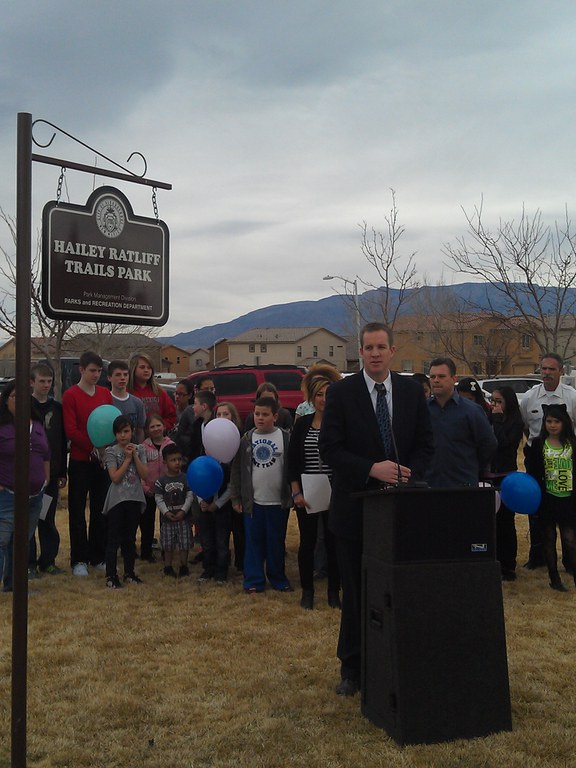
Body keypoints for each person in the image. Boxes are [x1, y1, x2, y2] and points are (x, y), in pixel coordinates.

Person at [319, 322, 434, 697]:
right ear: (361, 351)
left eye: (381, 347)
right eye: (368, 347)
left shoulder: (411, 392)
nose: (375, 353)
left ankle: (399, 660)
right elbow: (330, 450)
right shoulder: (341, 393)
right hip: (355, 511)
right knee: (356, 591)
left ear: (392, 350)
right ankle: (352, 667)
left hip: (400, 509)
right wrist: (371, 468)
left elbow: (425, 444)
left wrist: (406, 473)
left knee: (400, 589)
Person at [287, 369, 341, 610]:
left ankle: (333, 593)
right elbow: (292, 462)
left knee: (333, 544)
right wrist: (296, 492)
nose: (323, 398)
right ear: (312, 397)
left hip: (335, 492)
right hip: (307, 492)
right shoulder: (302, 425)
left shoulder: (340, 424)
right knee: (307, 543)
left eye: (328, 393)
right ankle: (307, 591)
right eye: (319, 394)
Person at [230, 396, 293, 593]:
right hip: (254, 503)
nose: (260, 418)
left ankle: (277, 578)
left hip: (277, 502)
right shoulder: (247, 439)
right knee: (253, 542)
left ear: (275, 416)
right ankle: (254, 580)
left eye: (265, 414)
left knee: (275, 542)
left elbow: (292, 469)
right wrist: (236, 497)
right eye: (257, 414)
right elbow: (237, 470)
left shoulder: (285, 438)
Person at [520, 353, 576, 570]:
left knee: (567, 507)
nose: (547, 373)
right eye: (543, 369)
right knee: (537, 506)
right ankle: (538, 555)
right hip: (538, 458)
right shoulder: (530, 397)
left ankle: (570, 560)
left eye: (552, 369)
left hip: (566, 458)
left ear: (561, 371)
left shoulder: (571, 397)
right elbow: (527, 427)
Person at [62, 351, 113, 576]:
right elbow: (71, 429)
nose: (96, 375)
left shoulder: (104, 393)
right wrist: (92, 446)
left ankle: (97, 556)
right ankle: (79, 559)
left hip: (101, 460)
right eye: (92, 370)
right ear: (81, 370)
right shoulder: (71, 395)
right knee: (77, 509)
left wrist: (105, 448)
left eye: (99, 371)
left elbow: (110, 422)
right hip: (81, 460)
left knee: (100, 509)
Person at [0, 380, 51, 592]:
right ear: (5, 401)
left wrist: (45, 479)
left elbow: (46, 454)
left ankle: (15, 585)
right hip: (8, 495)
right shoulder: (2, 427)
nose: (21, 401)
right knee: (2, 541)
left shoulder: (37, 426)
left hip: (35, 496)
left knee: (22, 542)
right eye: (15, 396)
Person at [524, 403, 576, 592]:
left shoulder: (572, 443)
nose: (552, 425)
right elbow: (532, 470)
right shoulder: (539, 444)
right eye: (549, 421)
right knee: (548, 538)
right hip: (547, 499)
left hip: (568, 499)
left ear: (564, 423)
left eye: (556, 421)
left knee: (570, 539)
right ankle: (554, 578)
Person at [426, 358, 497, 488]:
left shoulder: (472, 411)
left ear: (454, 379)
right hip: (429, 485)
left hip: (463, 484)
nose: (436, 380)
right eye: (432, 376)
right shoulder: (422, 411)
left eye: (441, 376)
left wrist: (470, 466)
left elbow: (488, 445)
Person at [29, 363, 68, 576]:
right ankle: (28, 564)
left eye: (49, 381)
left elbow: (62, 441)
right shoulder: (24, 405)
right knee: (28, 522)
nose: (46, 385)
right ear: (31, 382)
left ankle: (48, 560)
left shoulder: (57, 408)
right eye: (41, 381)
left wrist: (62, 472)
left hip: (50, 475)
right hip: (28, 475)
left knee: (46, 518)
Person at [102, 416, 148, 589]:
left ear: (132, 432)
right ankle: (111, 575)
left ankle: (129, 572)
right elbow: (114, 477)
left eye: (126, 431)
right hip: (117, 500)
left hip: (134, 498)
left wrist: (134, 455)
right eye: (120, 432)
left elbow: (144, 474)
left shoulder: (140, 449)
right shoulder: (111, 451)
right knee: (114, 538)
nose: (123, 435)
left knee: (130, 538)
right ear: (115, 434)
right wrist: (127, 459)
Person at [489, 386, 525, 581]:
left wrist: (497, 420)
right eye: (493, 401)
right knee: (490, 521)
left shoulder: (515, 422)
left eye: (499, 401)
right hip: (489, 474)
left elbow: (503, 444)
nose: (495, 405)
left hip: (506, 475)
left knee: (506, 521)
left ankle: (508, 565)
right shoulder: (488, 417)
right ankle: (492, 560)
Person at [155, 443, 194, 578]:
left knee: (184, 543)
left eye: (179, 459)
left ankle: (184, 565)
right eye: (173, 460)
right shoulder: (161, 481)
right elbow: (158, 498)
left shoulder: (186, 478)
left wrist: (183, 510)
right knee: (168, 544)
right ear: (165, 462)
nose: (177, 463)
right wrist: (165, 512)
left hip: (183, 518)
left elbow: (190, 495)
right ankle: (168, 566)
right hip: (167, 519)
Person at [216, 401, 245, 573]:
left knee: (240, 530)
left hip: (236, 489)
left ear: (233, 417)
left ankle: (241, 562)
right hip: (219, 491)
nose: (221, 418)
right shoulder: (211, 436)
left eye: (225, 414)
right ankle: (222, 563)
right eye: (218, 414)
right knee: (222, 530)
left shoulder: (240, 438)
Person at [141, 414, 174, 562]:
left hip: (166, 491)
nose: (156, 429)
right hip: (149, 490)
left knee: (166, 522)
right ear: (147, 430)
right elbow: (139, 469)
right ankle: (146, 551)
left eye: (158, 425)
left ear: (164, 427)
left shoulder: (171, 445)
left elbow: (176, 467)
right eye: (152, 426)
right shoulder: (142, 447)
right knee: (146, 522)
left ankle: (166, 551)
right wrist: (145, 487)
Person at [128, 353, 177, 432]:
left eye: (149, 368)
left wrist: (158, 428)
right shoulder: (127, 392)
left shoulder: (159, 392)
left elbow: (172, 416)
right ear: (133, 369)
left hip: (157, 438)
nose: (146, 370)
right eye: (142, 367)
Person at [108, 359, 146, 443]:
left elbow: (140, 431)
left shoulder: (137, 403)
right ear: (109, 378)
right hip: (111, 453)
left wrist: (139, 450)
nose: (122, 378)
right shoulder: (105, 402)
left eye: (125, 374)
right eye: (118, 375)